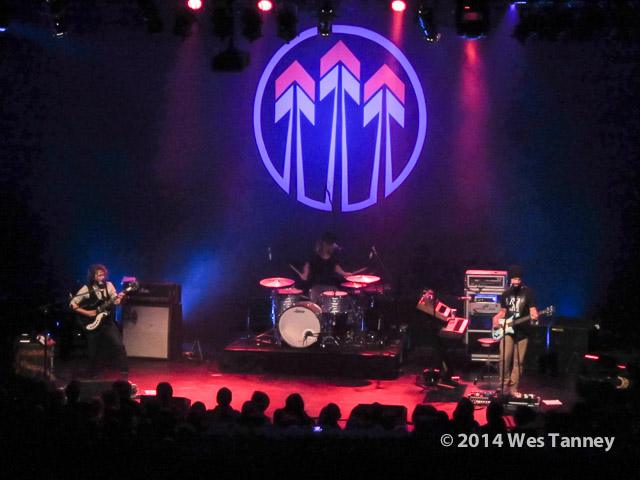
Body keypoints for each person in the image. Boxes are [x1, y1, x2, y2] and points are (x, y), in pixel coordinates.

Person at [69, 264, 129, 380]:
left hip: (106, 322)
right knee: (92, 351)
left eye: (103, 275)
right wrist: (87, 313)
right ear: (93, 276)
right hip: (91, 322)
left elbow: (116, 302)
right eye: (99, 275)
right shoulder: (87, 288)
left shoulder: (109, 285)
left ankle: (124, 373)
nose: (102, 277)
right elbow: (72, 303)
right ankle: (93, 375)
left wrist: (121, 297)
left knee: (119, 345)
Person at [492, 265, 538, 398]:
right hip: (508, 330)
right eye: (514, 279)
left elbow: (533, 310)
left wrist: (534, 316)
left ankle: (513, 388)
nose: (516, 281)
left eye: (518, 279)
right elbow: (503, 311)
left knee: (519, 362)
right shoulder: (505, 294)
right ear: (510, 279)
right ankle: (503, 386)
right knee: (504, 358)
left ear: (521, 279)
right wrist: (496, 318)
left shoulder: (529, 293)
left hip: (523, 331)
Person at [291, 232, 352, 303]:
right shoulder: (314, 256)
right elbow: (307, 265)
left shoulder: (332, 256)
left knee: (340, 300)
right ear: (326, 244)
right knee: (318, 303)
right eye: (332, 244)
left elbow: (335, 266)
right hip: (317, 286)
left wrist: (344, 273)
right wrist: (305, 274)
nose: (334, 246)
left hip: (330, 286)